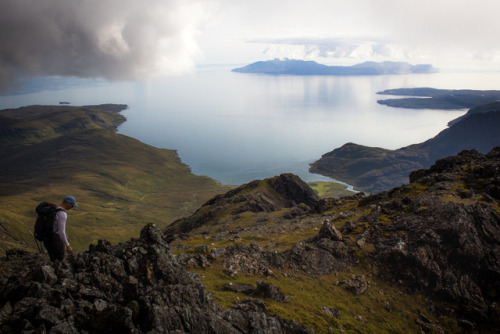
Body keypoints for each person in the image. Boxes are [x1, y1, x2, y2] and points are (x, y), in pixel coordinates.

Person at [44, 195, 77, 261]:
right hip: (55, 240)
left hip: (47, 239)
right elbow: (61, 232)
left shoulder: (53, 209)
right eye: (72, 205)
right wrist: (68, 246)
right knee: (59, 261)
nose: (72, 207)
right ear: (67, 203)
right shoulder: (62, 214)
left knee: (52, 259)